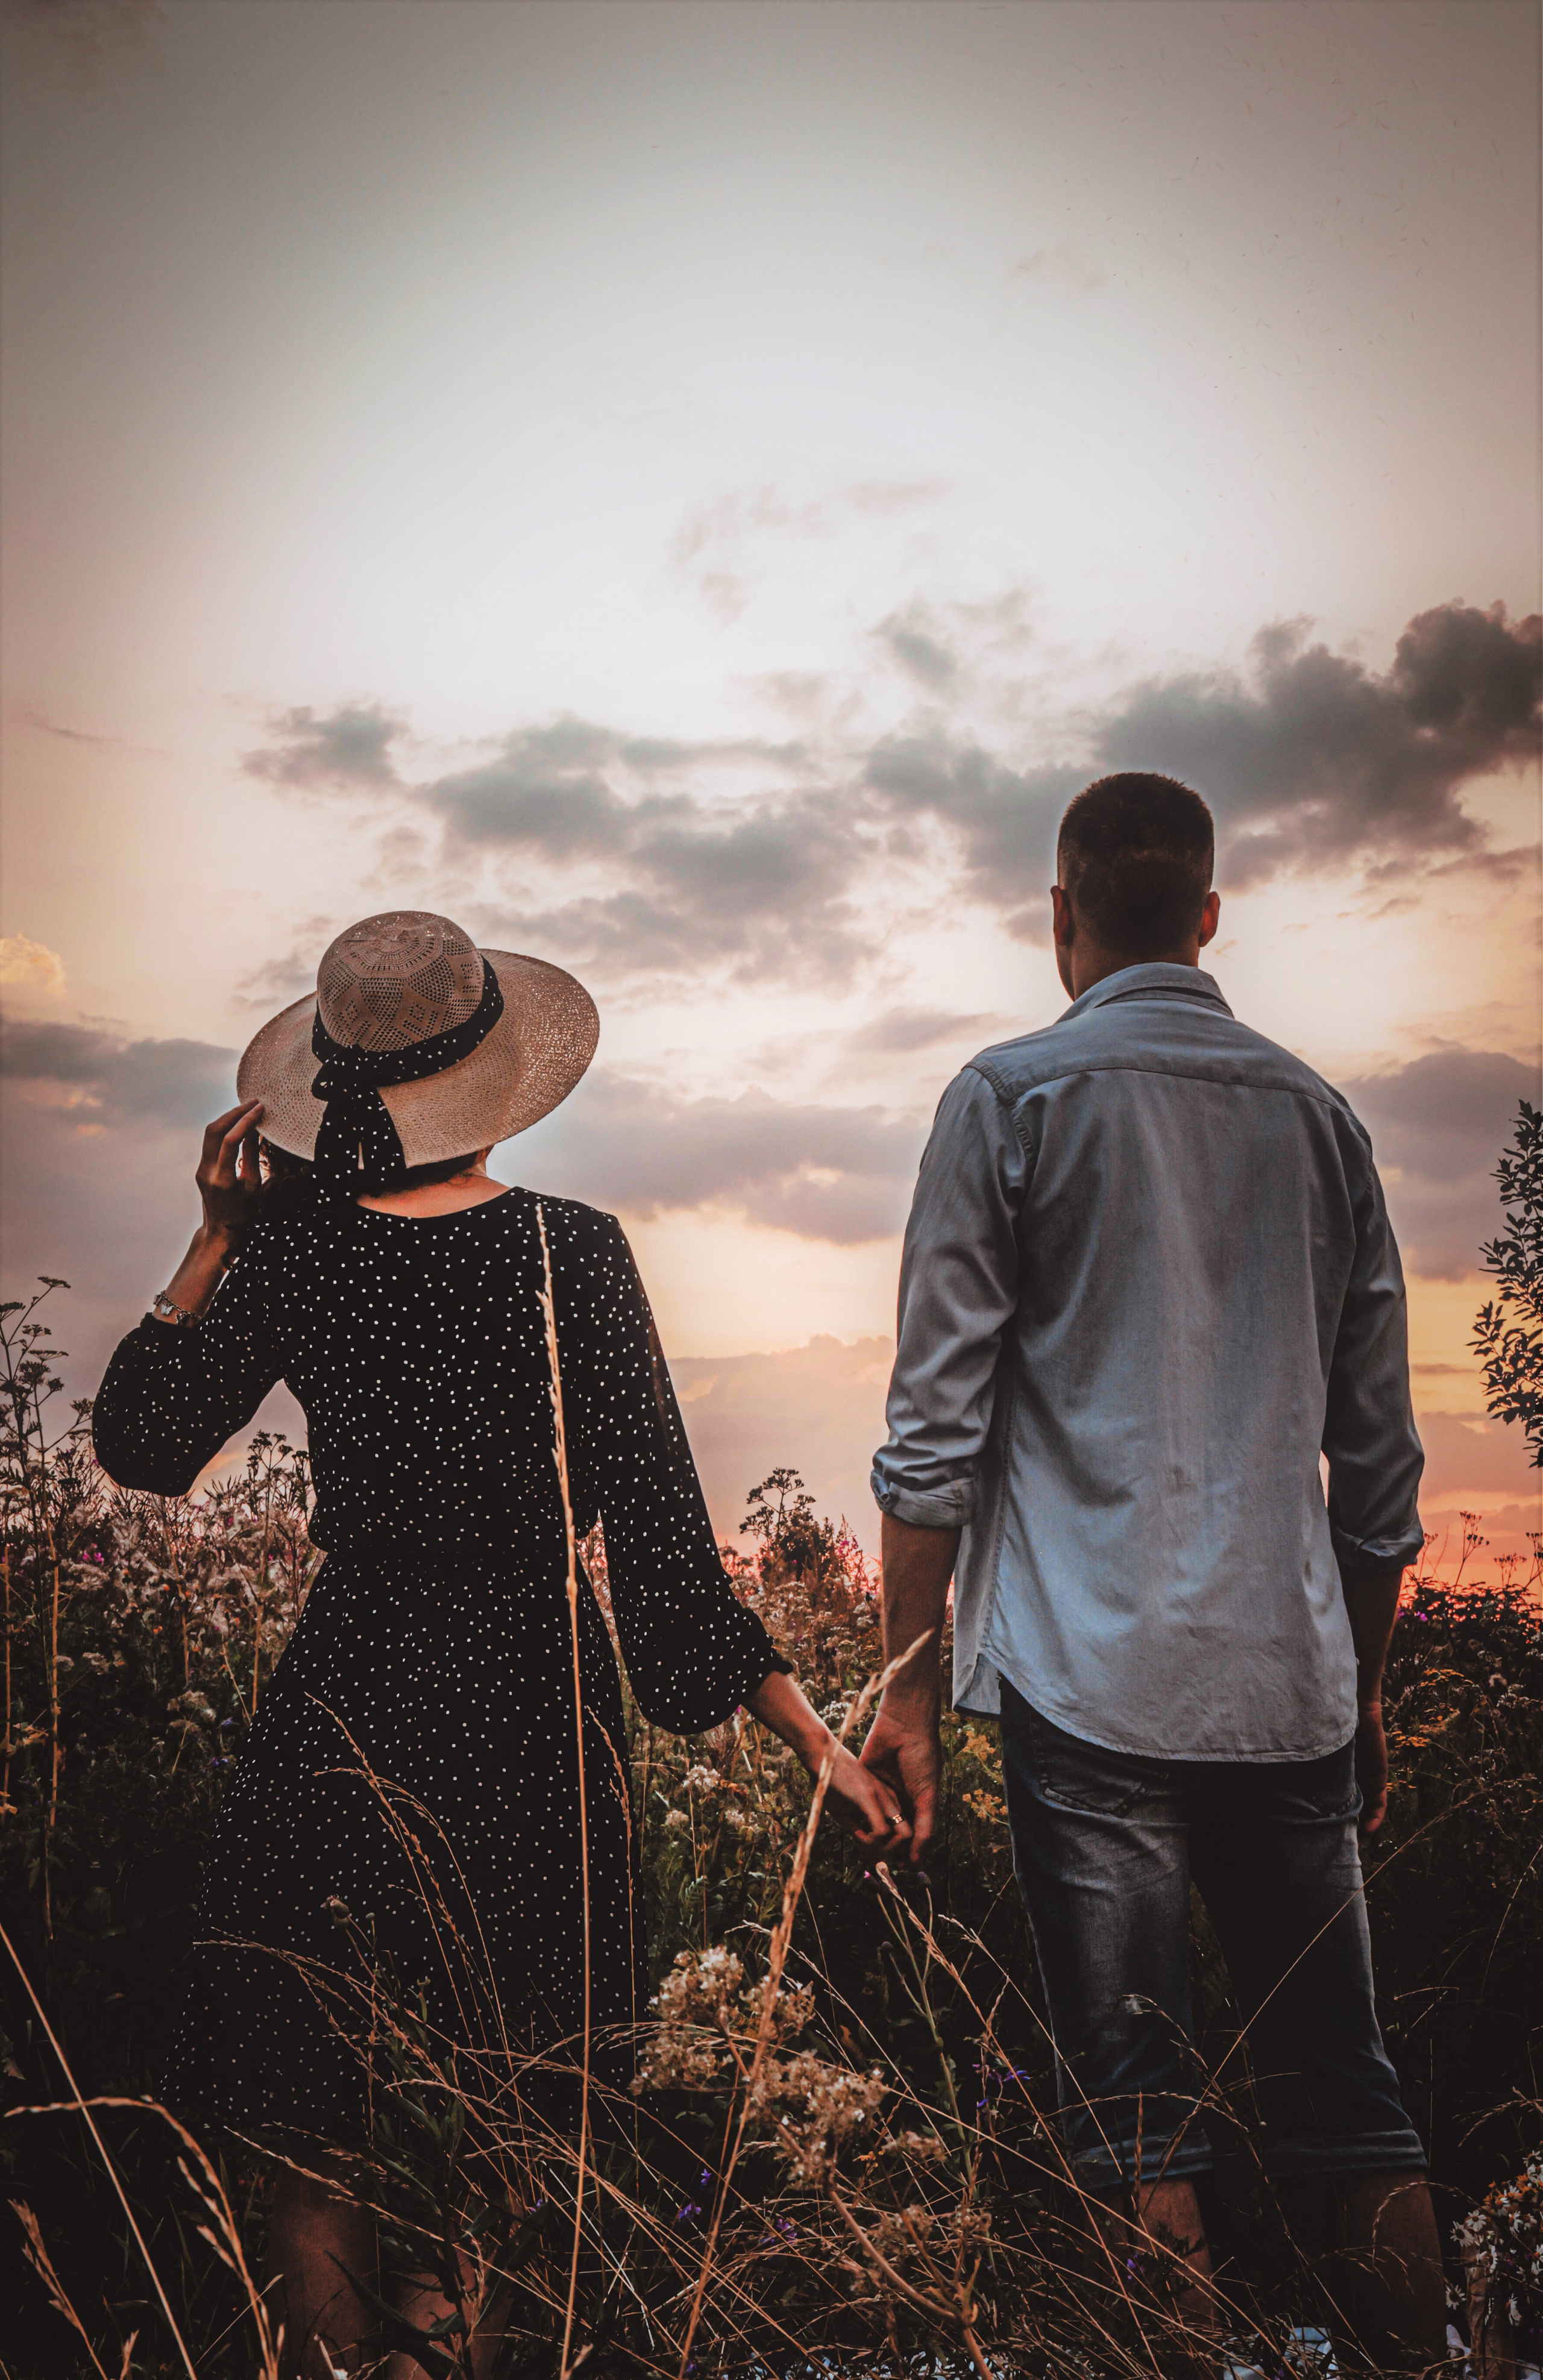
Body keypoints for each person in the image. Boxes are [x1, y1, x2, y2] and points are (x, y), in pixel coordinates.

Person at [92, 909, 907, 2379]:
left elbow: (145, 1445)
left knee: (312, 2106)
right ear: (492, 1074)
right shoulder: (570, 1256)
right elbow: (664, 1568)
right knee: (520, 2119)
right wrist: (819, 1747)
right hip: (532, 1705)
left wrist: (211, 1237)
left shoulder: (291, 1254)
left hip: (349, 1699)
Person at [859, 775, 1446, 2370]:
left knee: (1137, 2124)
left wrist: (905, 1692)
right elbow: (1380, 1476)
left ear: (1061, 920)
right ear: (1206, 915)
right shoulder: (1323, 1119)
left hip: (1090, 1687)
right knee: (1347, 2093)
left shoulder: (1008, 1099)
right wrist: (1366, 1687)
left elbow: (929, 1438)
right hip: (1289, 1692)